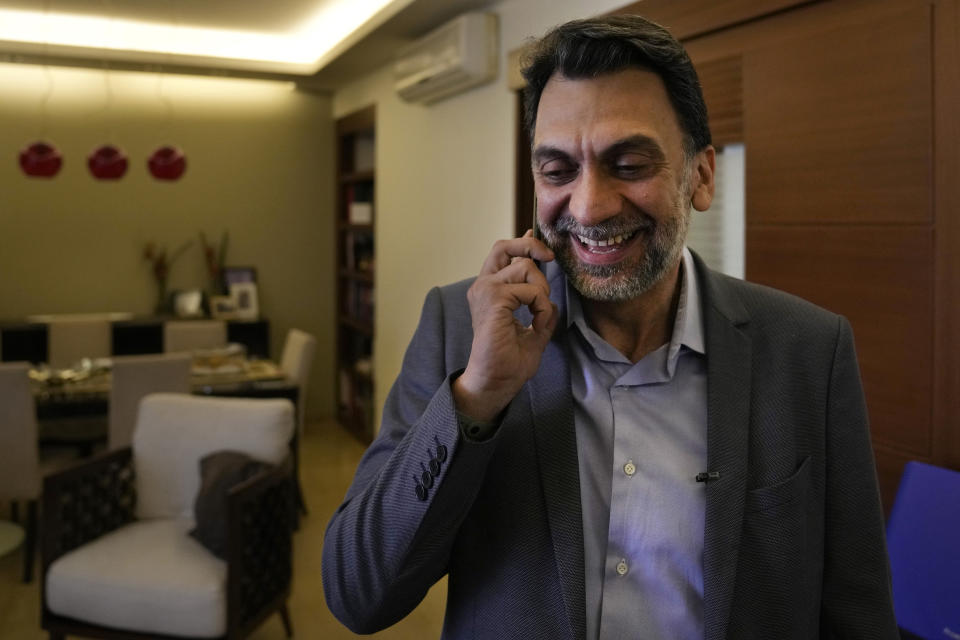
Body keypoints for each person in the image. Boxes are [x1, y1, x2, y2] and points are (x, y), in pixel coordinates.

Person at [322, 14, 898, 640]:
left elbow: (857, 610)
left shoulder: (810, 351)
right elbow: (358, 594)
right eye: (557, 170)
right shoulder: (461, 332)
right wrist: (477, 396)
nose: (589, 206)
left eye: (627, 164)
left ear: (701, 176)